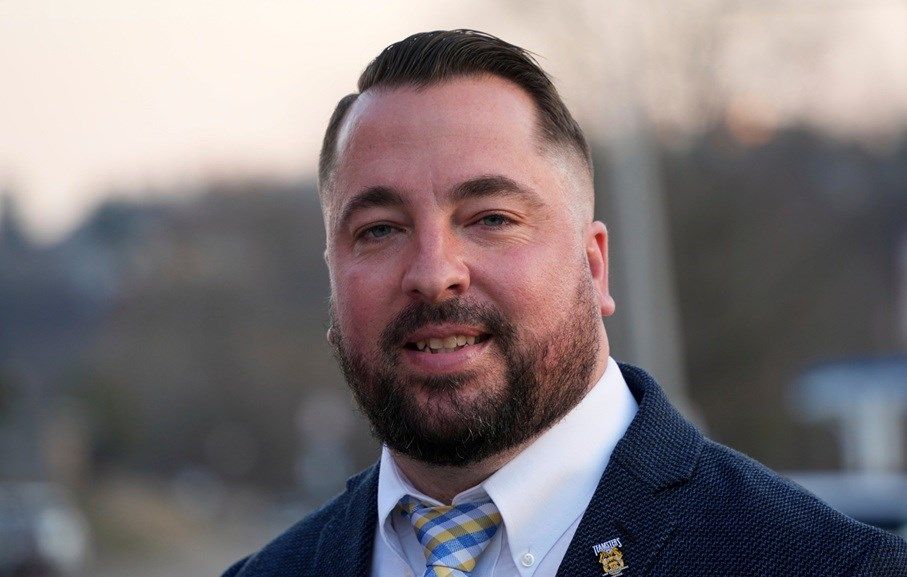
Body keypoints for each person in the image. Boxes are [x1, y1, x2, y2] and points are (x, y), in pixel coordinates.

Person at [223, 29, 906, 577]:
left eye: (489, 217)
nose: (433, 273)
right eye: (379, 230)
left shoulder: (825, 565)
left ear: (593, 263)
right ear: (333, 276)